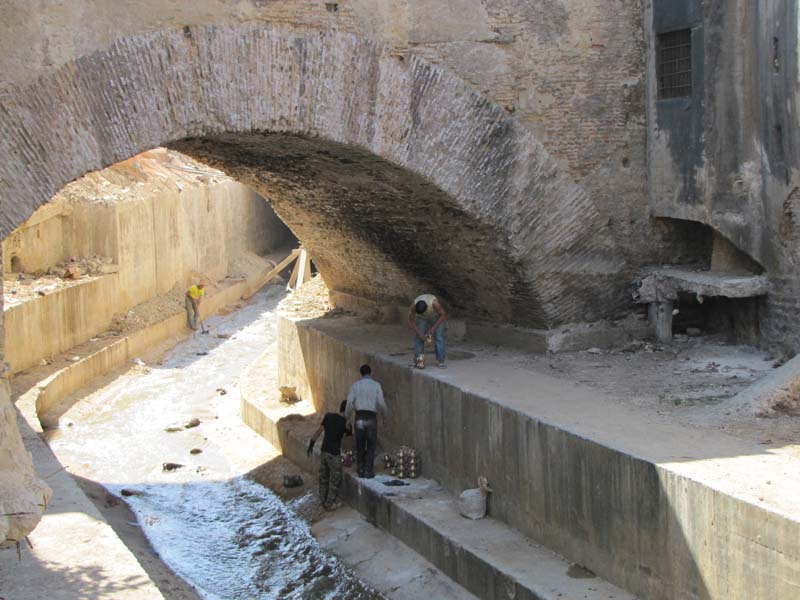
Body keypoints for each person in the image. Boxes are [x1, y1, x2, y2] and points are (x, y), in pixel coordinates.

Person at [307, 400, 351, 510]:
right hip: (334, 454)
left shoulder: (328, 416)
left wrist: (311, 444)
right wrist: (350, 428)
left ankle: (322, 500)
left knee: (323, 476)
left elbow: (319, 431)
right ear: (348, 410)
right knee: (335, 478)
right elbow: (348, 437)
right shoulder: (344, 422)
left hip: (324, 451)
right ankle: (329, 504)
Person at [345, 364, 387, 478]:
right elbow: (381, 403)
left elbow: (349, 402)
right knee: (371, 444)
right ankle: (369, 470)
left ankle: (360, 469)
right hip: (371, 417)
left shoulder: (355, 385)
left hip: (359, 417)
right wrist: (384, 417)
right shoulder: (376, 385)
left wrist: (347, 418)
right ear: (371, 373)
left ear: (361, 374)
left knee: (360, 444)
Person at [408, 293, 447, 369]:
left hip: (436, 316)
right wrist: (419, 334)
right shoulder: (413, 305)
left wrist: (433, 329)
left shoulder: (434, 303)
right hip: (421, 319)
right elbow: (411, 319)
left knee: (439, 337)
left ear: (427, 308)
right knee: (419, 339)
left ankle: (441, 361)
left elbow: (443, 315)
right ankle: (419, 361)